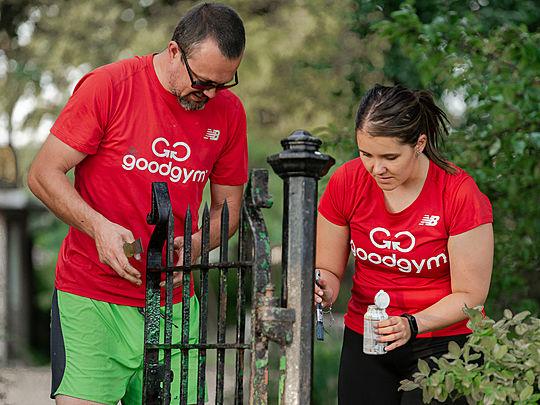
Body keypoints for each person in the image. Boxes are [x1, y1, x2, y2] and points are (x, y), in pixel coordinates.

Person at [27, 3, 247, 404]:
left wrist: (197, 245)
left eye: (223, 83)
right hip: (92, 297)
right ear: (174, 52)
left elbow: (228, 209)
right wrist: (99, 227)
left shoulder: (229, 113)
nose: (211, 94)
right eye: (202, 83)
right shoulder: (110, 86)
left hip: (175, 304)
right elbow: (43, 174)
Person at [314, 84, 493, 404]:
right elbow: (327, 268)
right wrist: (322, 288)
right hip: (367, 340)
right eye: (365, 154)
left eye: (390, 157)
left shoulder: (458, 193)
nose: (376, 168)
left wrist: (413, 323)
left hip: (443, 346)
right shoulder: (346, 182)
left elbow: (471, 296)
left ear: (419, 144)